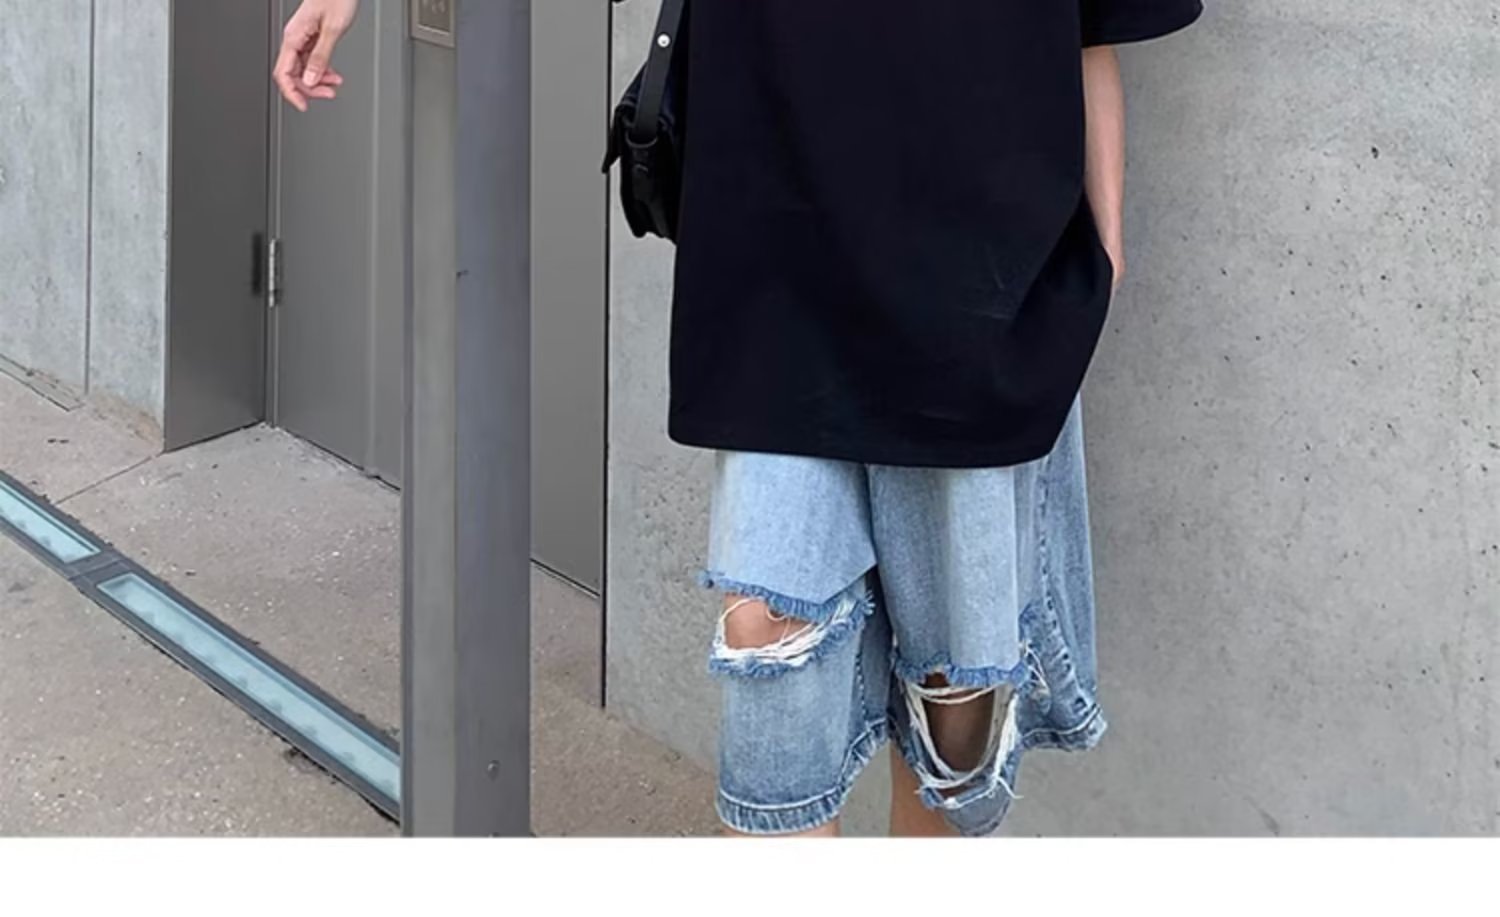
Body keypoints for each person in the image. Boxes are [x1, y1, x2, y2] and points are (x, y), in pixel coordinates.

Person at [275, 0, 1202, 838]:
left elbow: (1096, 24)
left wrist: (1105, 251)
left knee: (950, 708)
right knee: (765, 641)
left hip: (981, 280)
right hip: (774, 258)